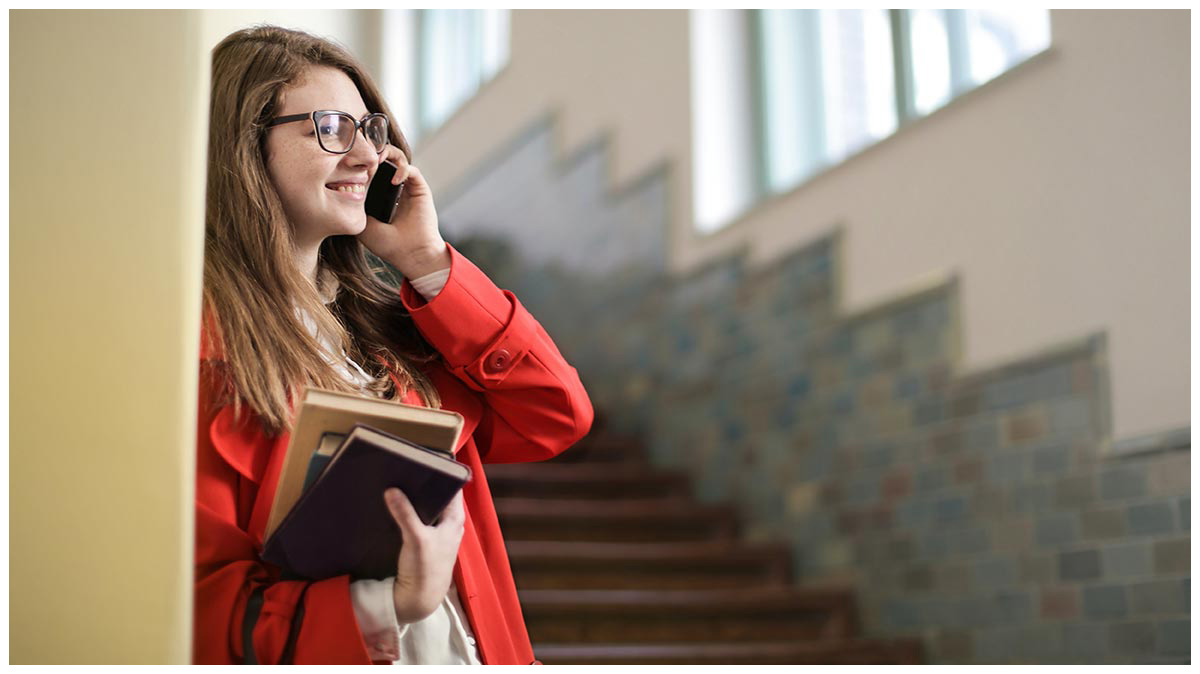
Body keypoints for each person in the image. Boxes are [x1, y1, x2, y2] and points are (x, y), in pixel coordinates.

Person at [193, 24, 593, 665]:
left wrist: (427, 259)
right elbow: (197, 608)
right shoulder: (201, 350)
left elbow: (556, 414)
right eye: (330, 128)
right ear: (244, 146)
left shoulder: (392, 340)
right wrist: (383, 606)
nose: (365, 157)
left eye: (369, 130)